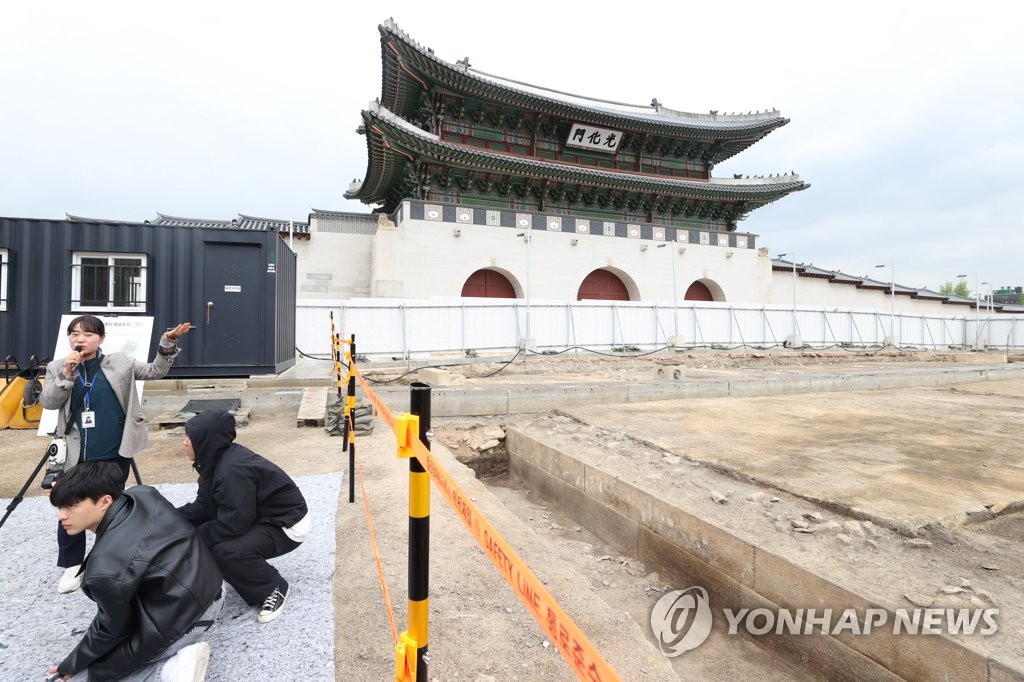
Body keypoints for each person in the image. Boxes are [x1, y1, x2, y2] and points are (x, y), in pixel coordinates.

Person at [41, 315, 192, 594]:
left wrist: (167, 342)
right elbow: (49, 402)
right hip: (75, 453)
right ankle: (72, 565)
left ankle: (109, 558)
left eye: (87, 334)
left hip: (113, 450)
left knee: (111, 507)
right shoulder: (58, 367)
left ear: (101, 338)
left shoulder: (120, 362)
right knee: (70, 505)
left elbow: (154, 371)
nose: (80, 340)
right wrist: (66, 376)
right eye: (74, 334)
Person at [47, 461, 224, 681]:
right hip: (209, 585)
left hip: (194, 615)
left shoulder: (104, 568)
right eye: (59, 507)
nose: (61, 516)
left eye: (71, 506)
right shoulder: (143, 494)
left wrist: (72, 665)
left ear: (104, 501)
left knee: (88, 677)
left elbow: (111, 630)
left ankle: (171, 670)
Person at [176, 409, 310, 624]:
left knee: (226, 551)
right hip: (259, 516)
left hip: (287, 523)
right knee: (206, 536)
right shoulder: (212, 462)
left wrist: (195, 535)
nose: (184, 442)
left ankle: (274, 587)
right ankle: (241, 575)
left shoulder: (231, 471)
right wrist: (171, 518)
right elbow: (203, 507)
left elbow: (233, 526)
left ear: (205, 440)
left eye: (189, 437)